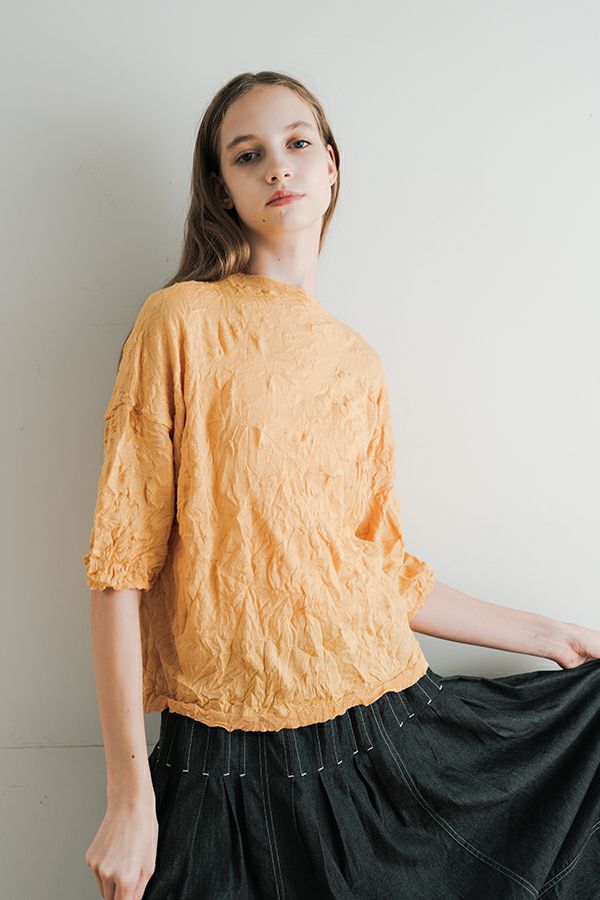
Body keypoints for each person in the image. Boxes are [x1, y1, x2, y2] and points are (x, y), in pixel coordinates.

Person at [82, 70, 600, 900]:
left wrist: (546, 634)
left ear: (330, 165)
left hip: (379, 741)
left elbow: (382, 568)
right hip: (216, 766)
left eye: (297, 143)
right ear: (221, 186)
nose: (277, 167)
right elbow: (119, 565)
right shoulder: (178, 321)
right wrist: (127, 796)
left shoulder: (357, 362)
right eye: (247, 154)